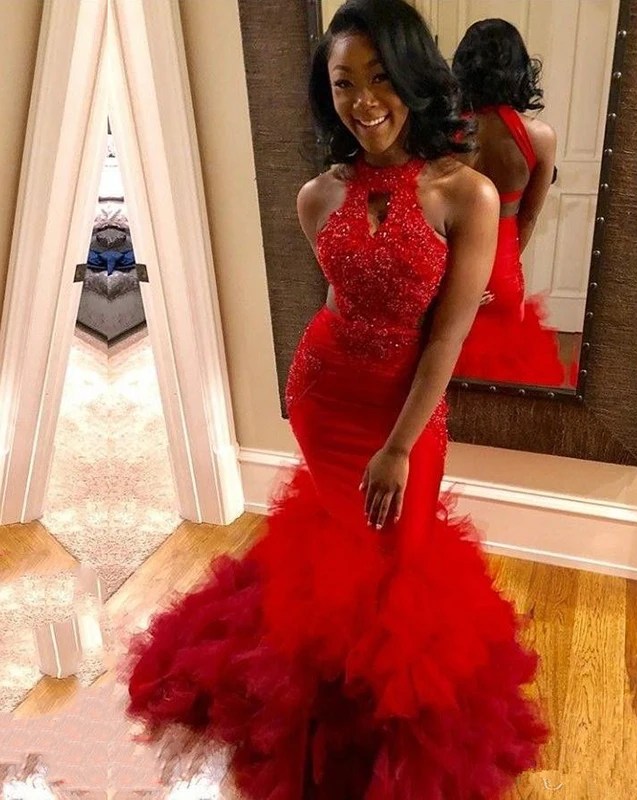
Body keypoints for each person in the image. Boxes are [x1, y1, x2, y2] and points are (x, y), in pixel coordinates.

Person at [121, 1, 549, 797]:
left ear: (414, 77)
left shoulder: (467, 194)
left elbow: (446, 339)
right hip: (324, 396)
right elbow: (341, 299)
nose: (364, 100)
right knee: (344, 558)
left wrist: (397, 446)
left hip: (402, 414)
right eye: (344, 82)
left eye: (380, 77)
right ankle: (332, 710)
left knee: (400, 559)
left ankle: (389, 733)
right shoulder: (317, 196)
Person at [452, 18, 570, 388]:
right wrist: (504, 267)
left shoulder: (445, 133)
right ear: (519, 68)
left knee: (444, 374)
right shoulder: (541, 137)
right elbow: (529, 217)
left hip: (451, 261)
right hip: (501, 264)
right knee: (503, 383)